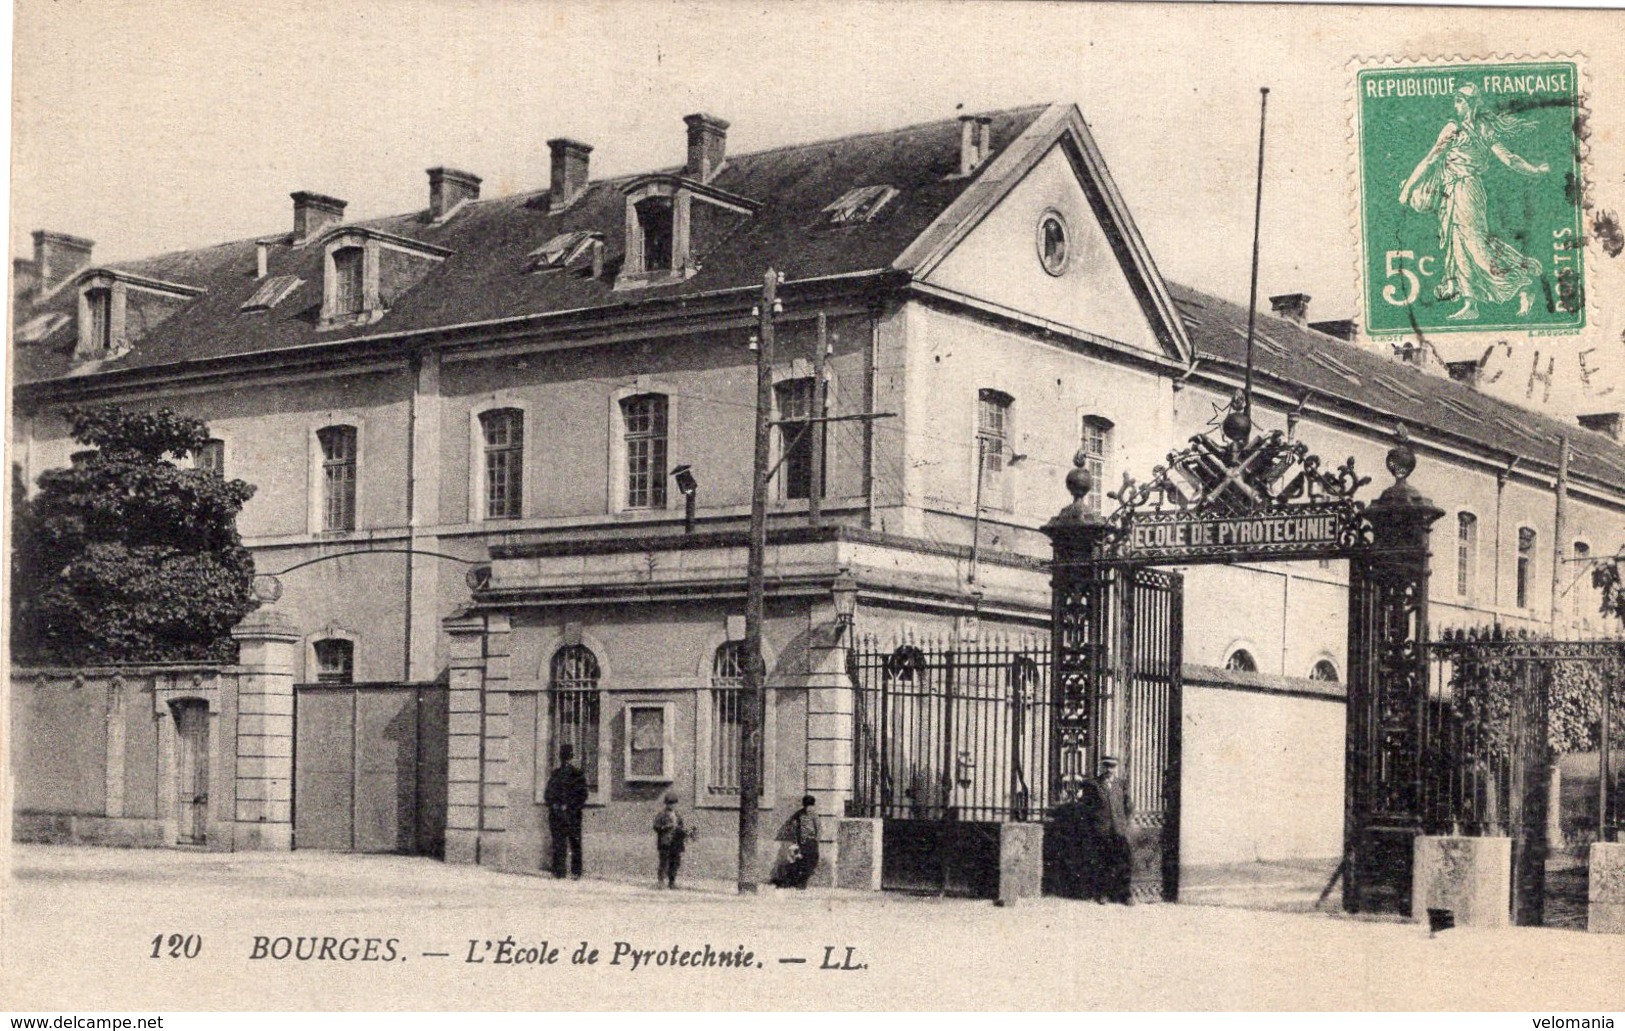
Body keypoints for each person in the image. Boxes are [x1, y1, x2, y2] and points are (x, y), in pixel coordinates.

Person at [1398, 82, 1550, 322]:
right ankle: (1470, 304)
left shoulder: (1483, 129)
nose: (1457, 106)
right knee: (1457, 247)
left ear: (1472, 103)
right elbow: (1430, 159)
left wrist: (1535, 170)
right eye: (1456, 101)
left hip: (1468, 190)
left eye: (1462, 101)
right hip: (1450, 193)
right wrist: (1408, 189)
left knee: (1477, 247)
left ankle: (1522, 285)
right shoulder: (1452, 128)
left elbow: (1509, 159)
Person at [1078, 755, 1134, 904]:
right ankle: (1102, 894)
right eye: (1106, 766)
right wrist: (1094, 824)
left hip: (1119, 830)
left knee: (1123, 863)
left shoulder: (1121, 784)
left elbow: (1128, 806)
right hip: (1101, 829)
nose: (1109, 769)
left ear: (1116, 768)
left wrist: (1124, 824)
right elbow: (1086, 807)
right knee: (1102, 862)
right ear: (1102, 767)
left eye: (1112, 766)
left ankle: (1126, 895)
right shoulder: (1093, 785)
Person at [543, 743, 588, 879]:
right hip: (557, 815)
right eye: (563, 757)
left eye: (568, 757)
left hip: (572, 815)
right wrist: (555, 806)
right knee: (558, 843)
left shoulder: (578, 774)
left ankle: (576, 872)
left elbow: (583, 795)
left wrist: (569, 807)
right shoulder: (555, 774)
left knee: (575, 843)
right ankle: (559, 871)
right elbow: (548, 794)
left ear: (572, 757)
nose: (566, 760)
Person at [771, 795, 821, 889]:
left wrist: (816, 840)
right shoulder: (800, 814)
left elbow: (818, 828)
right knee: (800, 862)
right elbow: (791, 822)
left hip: (811, 842)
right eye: (806, 806)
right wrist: (794, 833)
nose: (808, 808)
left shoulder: (814, 815)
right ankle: (799, 883)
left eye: (810, 806)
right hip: (801, 842)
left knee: (810, 862)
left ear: (813, 806)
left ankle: (802, 882)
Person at [652, 790, 690, 890]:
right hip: (665, 842)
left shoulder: (678, 816)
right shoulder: (661, 815)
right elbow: (656, 826)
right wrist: (666, 827)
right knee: (664, 862)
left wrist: (686, 833)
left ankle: (672, 882)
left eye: (674, 803)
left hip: (676, 843)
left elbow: (681, 828)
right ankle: (661, 882)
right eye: (670, 803)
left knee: (675, 862)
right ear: (666, 804)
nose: (672, 805)